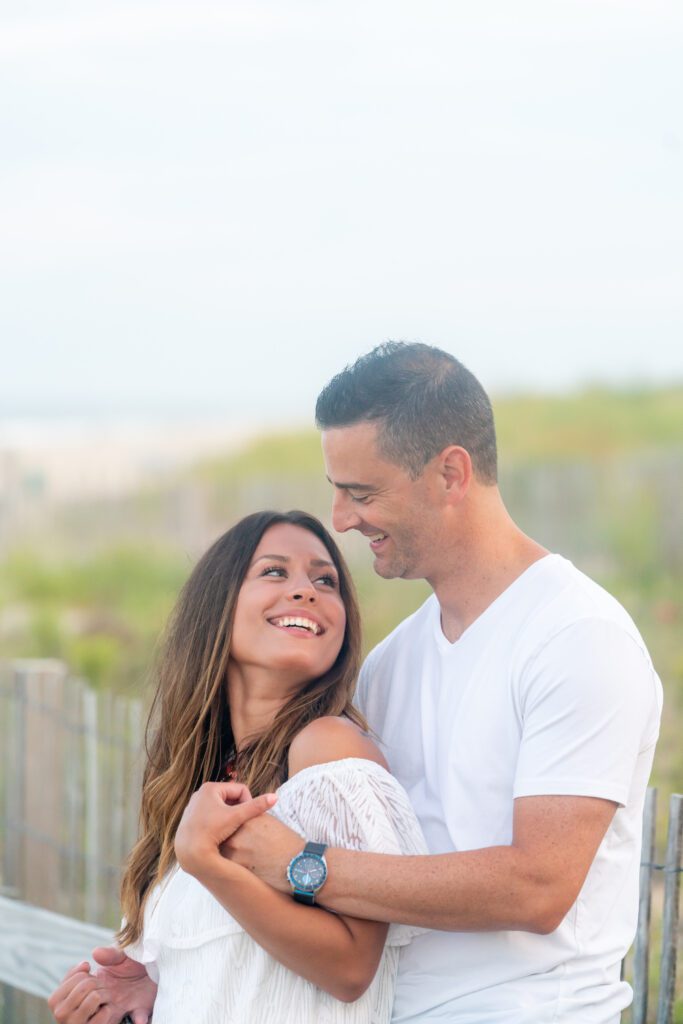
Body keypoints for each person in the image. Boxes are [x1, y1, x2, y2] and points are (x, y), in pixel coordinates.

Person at [218, 343, 663, 1023]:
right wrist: (157, 976)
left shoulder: (576, 637)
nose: (341, 518)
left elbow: (537, 887)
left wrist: (307, 867)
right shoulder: (390, 665)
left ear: (449, 474)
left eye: (361, 493)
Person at [47, 509, 427, 1024]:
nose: (305, 590)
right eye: (274, 571)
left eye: (325, 580)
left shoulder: (326, 748)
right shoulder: (203, 781)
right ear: (217, 607)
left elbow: (351, 967)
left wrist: (209, 865)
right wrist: (152, 986)